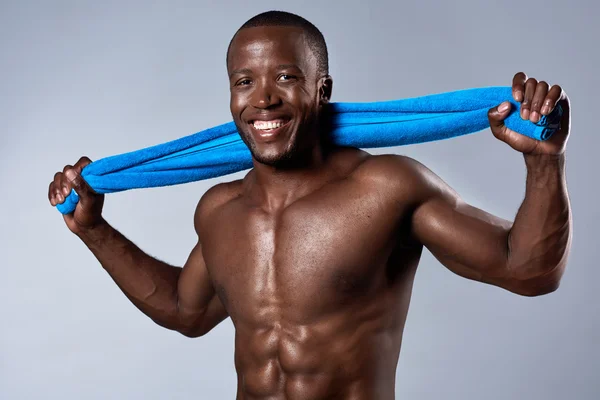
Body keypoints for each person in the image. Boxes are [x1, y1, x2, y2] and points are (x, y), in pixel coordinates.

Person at [47, 10, 572, 400]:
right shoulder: (219, 208)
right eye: (244, 82)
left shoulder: (385, 187)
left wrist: (544, 162)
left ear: (322, 91)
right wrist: (94, 230)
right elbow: (187, 312)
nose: (263, 99)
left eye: (286, 77)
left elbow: (526, 270)